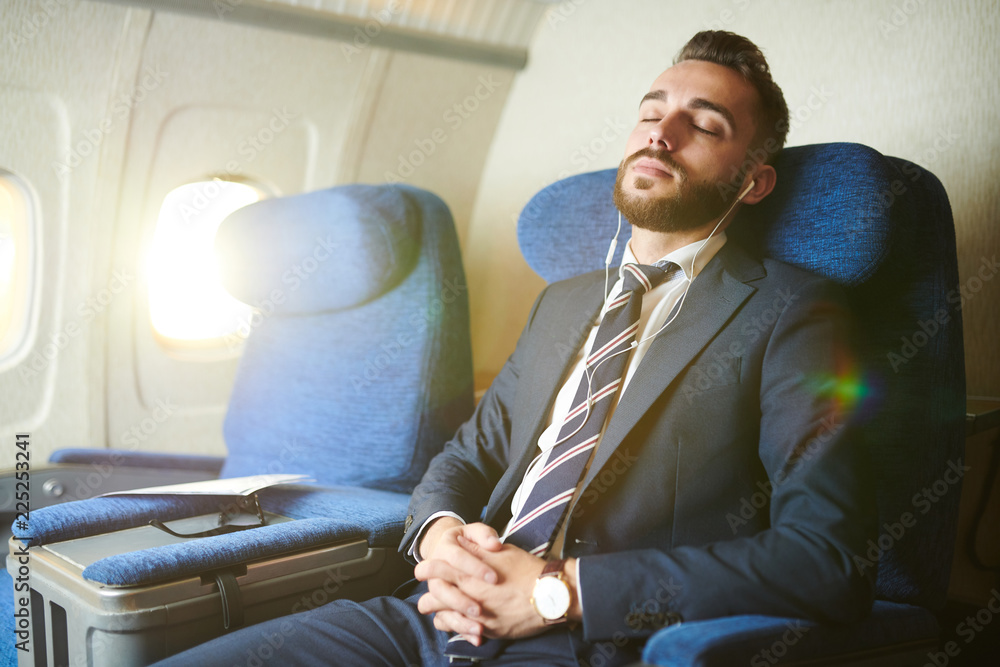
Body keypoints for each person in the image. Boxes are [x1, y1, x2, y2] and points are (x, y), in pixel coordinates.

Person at [158, 30, 876, 667]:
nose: (661, 133)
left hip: (595, 639)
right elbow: (467, 456)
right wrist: (440, 538)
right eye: (651, 112)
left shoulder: (792, 310)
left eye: (704, 124)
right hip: (429, 619)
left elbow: (827, 558)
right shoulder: (562, 303)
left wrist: (557, 592)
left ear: (753, 182)